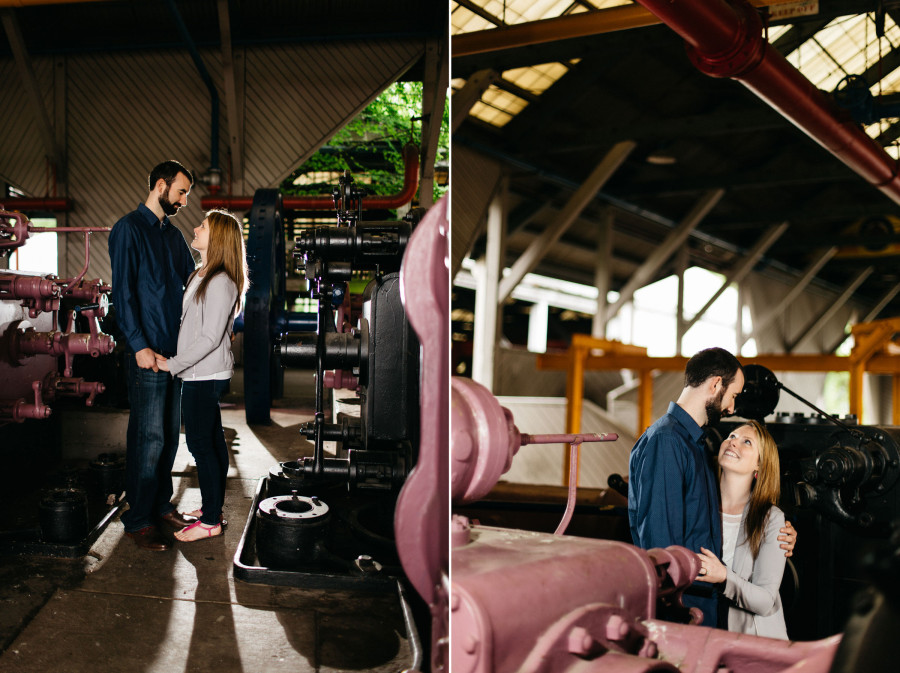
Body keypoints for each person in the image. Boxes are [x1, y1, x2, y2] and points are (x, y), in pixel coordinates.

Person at [627, 347, 796, 628]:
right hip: (684, 614)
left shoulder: (696, 445)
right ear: (716, 384)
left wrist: (780, 535)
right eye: (733, 396)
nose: (731, 408)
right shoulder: (667, 442)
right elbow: (661, 548)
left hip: (707, 613)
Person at [109, 160, 199, 552]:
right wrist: (138, 344)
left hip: (173, 355)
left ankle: (160, 506)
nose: (183, 200)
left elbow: (193, 283)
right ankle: (138, 520)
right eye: (180, 192)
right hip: (146, 354)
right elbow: (122, 294)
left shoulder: (174, 237)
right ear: (161, 185)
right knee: (148, 439)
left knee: (167, 440)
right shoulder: (128, 230)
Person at [156, 210, 248, 542]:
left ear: (219, 238)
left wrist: (173, 364)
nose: (195, 228)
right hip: (199, 372)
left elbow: (209, 338)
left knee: (199, 444)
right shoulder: (202, 273)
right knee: (210, 441)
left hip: (203, 374)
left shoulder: (221, 281)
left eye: (203, 226)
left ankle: (210, 521)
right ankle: (214, 508)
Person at [695, 420, 788, 638]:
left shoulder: (771, 519)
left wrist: (724, 576)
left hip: (752, 643)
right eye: (731, 437)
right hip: (702, 628)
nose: (733, 443)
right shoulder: (698, 505)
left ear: (760, 464)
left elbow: (766, 601)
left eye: (747, 442)